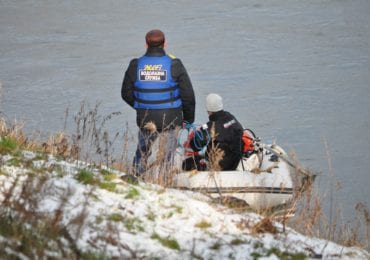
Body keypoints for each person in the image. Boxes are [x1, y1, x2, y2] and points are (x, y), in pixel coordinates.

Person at [121, 29, 195, 176]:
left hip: (146, 118)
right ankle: (165, 182)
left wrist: (141, 106)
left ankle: (137, 178)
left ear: (146, 44)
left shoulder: (135, 65)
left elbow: (126, 93)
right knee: (168, 155)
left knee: (142, 152)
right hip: (171, 119)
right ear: (165, 44)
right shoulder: (174, 64)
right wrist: (188, 119)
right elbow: (188, 95)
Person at [182, 93, 244, 171]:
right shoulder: (230, 117)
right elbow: (240, 130)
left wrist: (197, 134)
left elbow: (195, 146)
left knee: (185, 164)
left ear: (208, 109)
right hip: (234, 163)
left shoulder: (209, 127)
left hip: (216, 165)